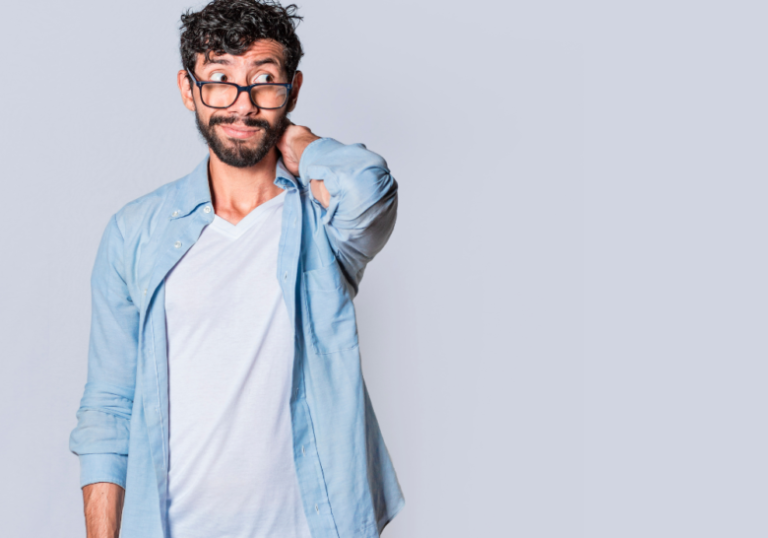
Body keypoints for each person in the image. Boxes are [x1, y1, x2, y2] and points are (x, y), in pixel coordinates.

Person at [68, 1, 405, 536]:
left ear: (292, 91)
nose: (242, 105)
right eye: (220, 79)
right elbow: (109, 406)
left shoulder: (322, 222)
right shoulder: (135, 232)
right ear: (188, 90)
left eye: (264, 81)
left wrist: (301, 140)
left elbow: (371, 189)